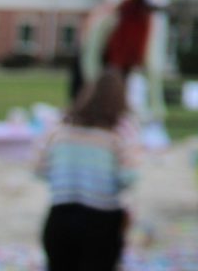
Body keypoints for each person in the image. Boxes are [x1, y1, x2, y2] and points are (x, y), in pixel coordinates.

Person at [36, 69, 138, 271]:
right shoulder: (118, 133)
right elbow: (129, 177)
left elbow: (40, 169)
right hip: (101, 219)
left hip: (60, 215)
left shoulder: (60, 130)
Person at [76, 0, 170, 124]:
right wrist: (94, 83)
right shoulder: (114, 17)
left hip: (124, 70)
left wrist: (157, 105)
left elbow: (152, 64)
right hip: (102, 68)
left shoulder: (147, 24)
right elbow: (91, 53)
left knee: (122, 112)